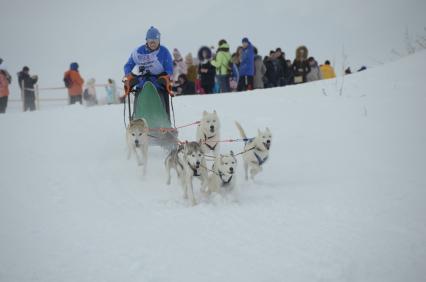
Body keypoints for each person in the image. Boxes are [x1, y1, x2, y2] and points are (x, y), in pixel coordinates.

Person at [123, 26, 173, 118]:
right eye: (150, 41)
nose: (153, 43)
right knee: (139, 101)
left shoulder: (164, 52)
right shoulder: (138, 52)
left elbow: (169, 68)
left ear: (159, 41)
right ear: (146, 40)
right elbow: (128, 65)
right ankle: (137, 122)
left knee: (161, 100)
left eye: (155, 41)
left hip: (158, 84)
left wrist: (167, 76)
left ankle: (164, 122)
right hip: (142, 83)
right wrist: (128, 75)